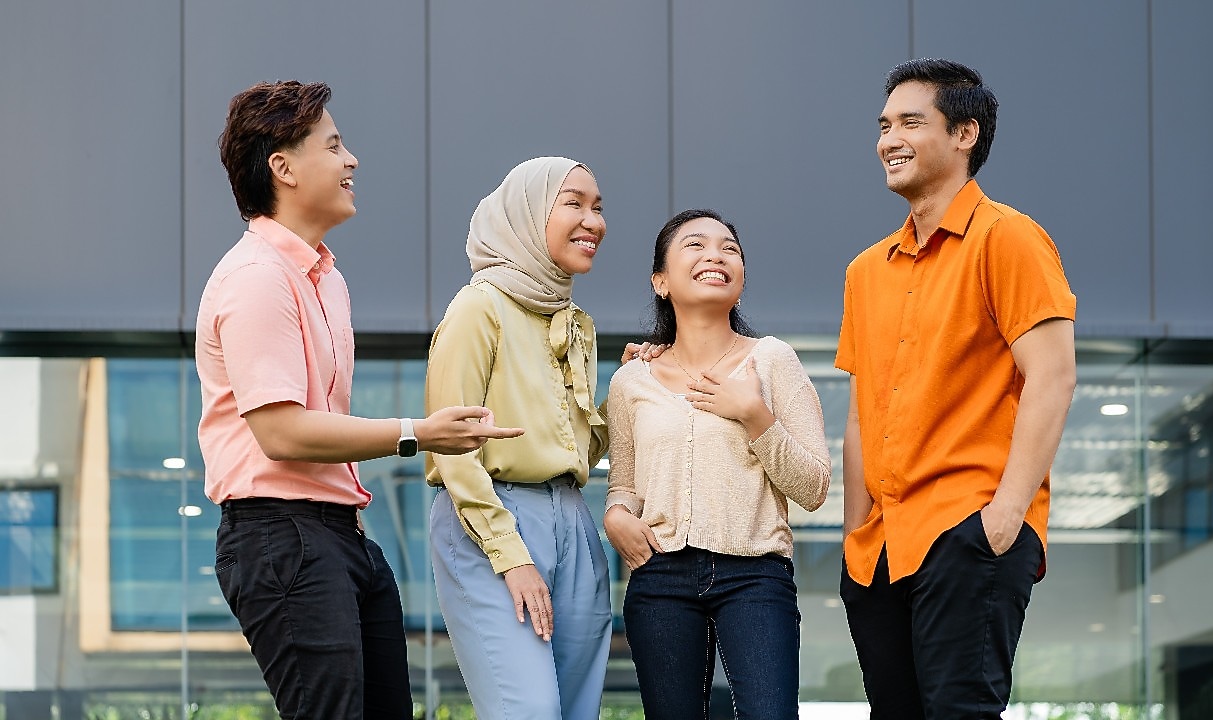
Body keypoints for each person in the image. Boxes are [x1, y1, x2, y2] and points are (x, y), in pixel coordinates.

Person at [196, 80, 523, 720]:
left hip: (338, 534)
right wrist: (418, 433)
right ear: (283, 168)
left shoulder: (325, 277)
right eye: (335, 145)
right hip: (281, 534)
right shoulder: (257, 277)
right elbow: (281, 435)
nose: (352, 161)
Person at [836, 58, 1077, 719]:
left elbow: (1052, 377)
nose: (889, 138)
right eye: (884, 125)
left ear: (964, 134)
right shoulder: (864, 272)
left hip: (969, 528)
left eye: (911, 122)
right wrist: (856, 531)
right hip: (880, 550)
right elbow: (862, 414)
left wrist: (1004, 518)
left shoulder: (1010, 238)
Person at [604, 208, 831, 720]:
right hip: (659, 575)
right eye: (695, 245)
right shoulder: (631, 380)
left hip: (755, 574)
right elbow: (623, 483)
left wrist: (755, 416)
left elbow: (814, 486)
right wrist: (616, 514)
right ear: (660, 281)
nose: (715, 255)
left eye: (729, 248)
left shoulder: (772, 360)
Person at [424, 157, 613, 720]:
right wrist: (511, 557)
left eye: (599, 207)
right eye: (574, 203)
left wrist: (633, 387)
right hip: (491, 517)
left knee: (577, 712)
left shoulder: (576, 320)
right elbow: (450, 447)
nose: (593, 221)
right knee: (527, 711)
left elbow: (575, 449)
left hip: (574, 517)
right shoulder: (479, 306)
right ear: (528, 214)